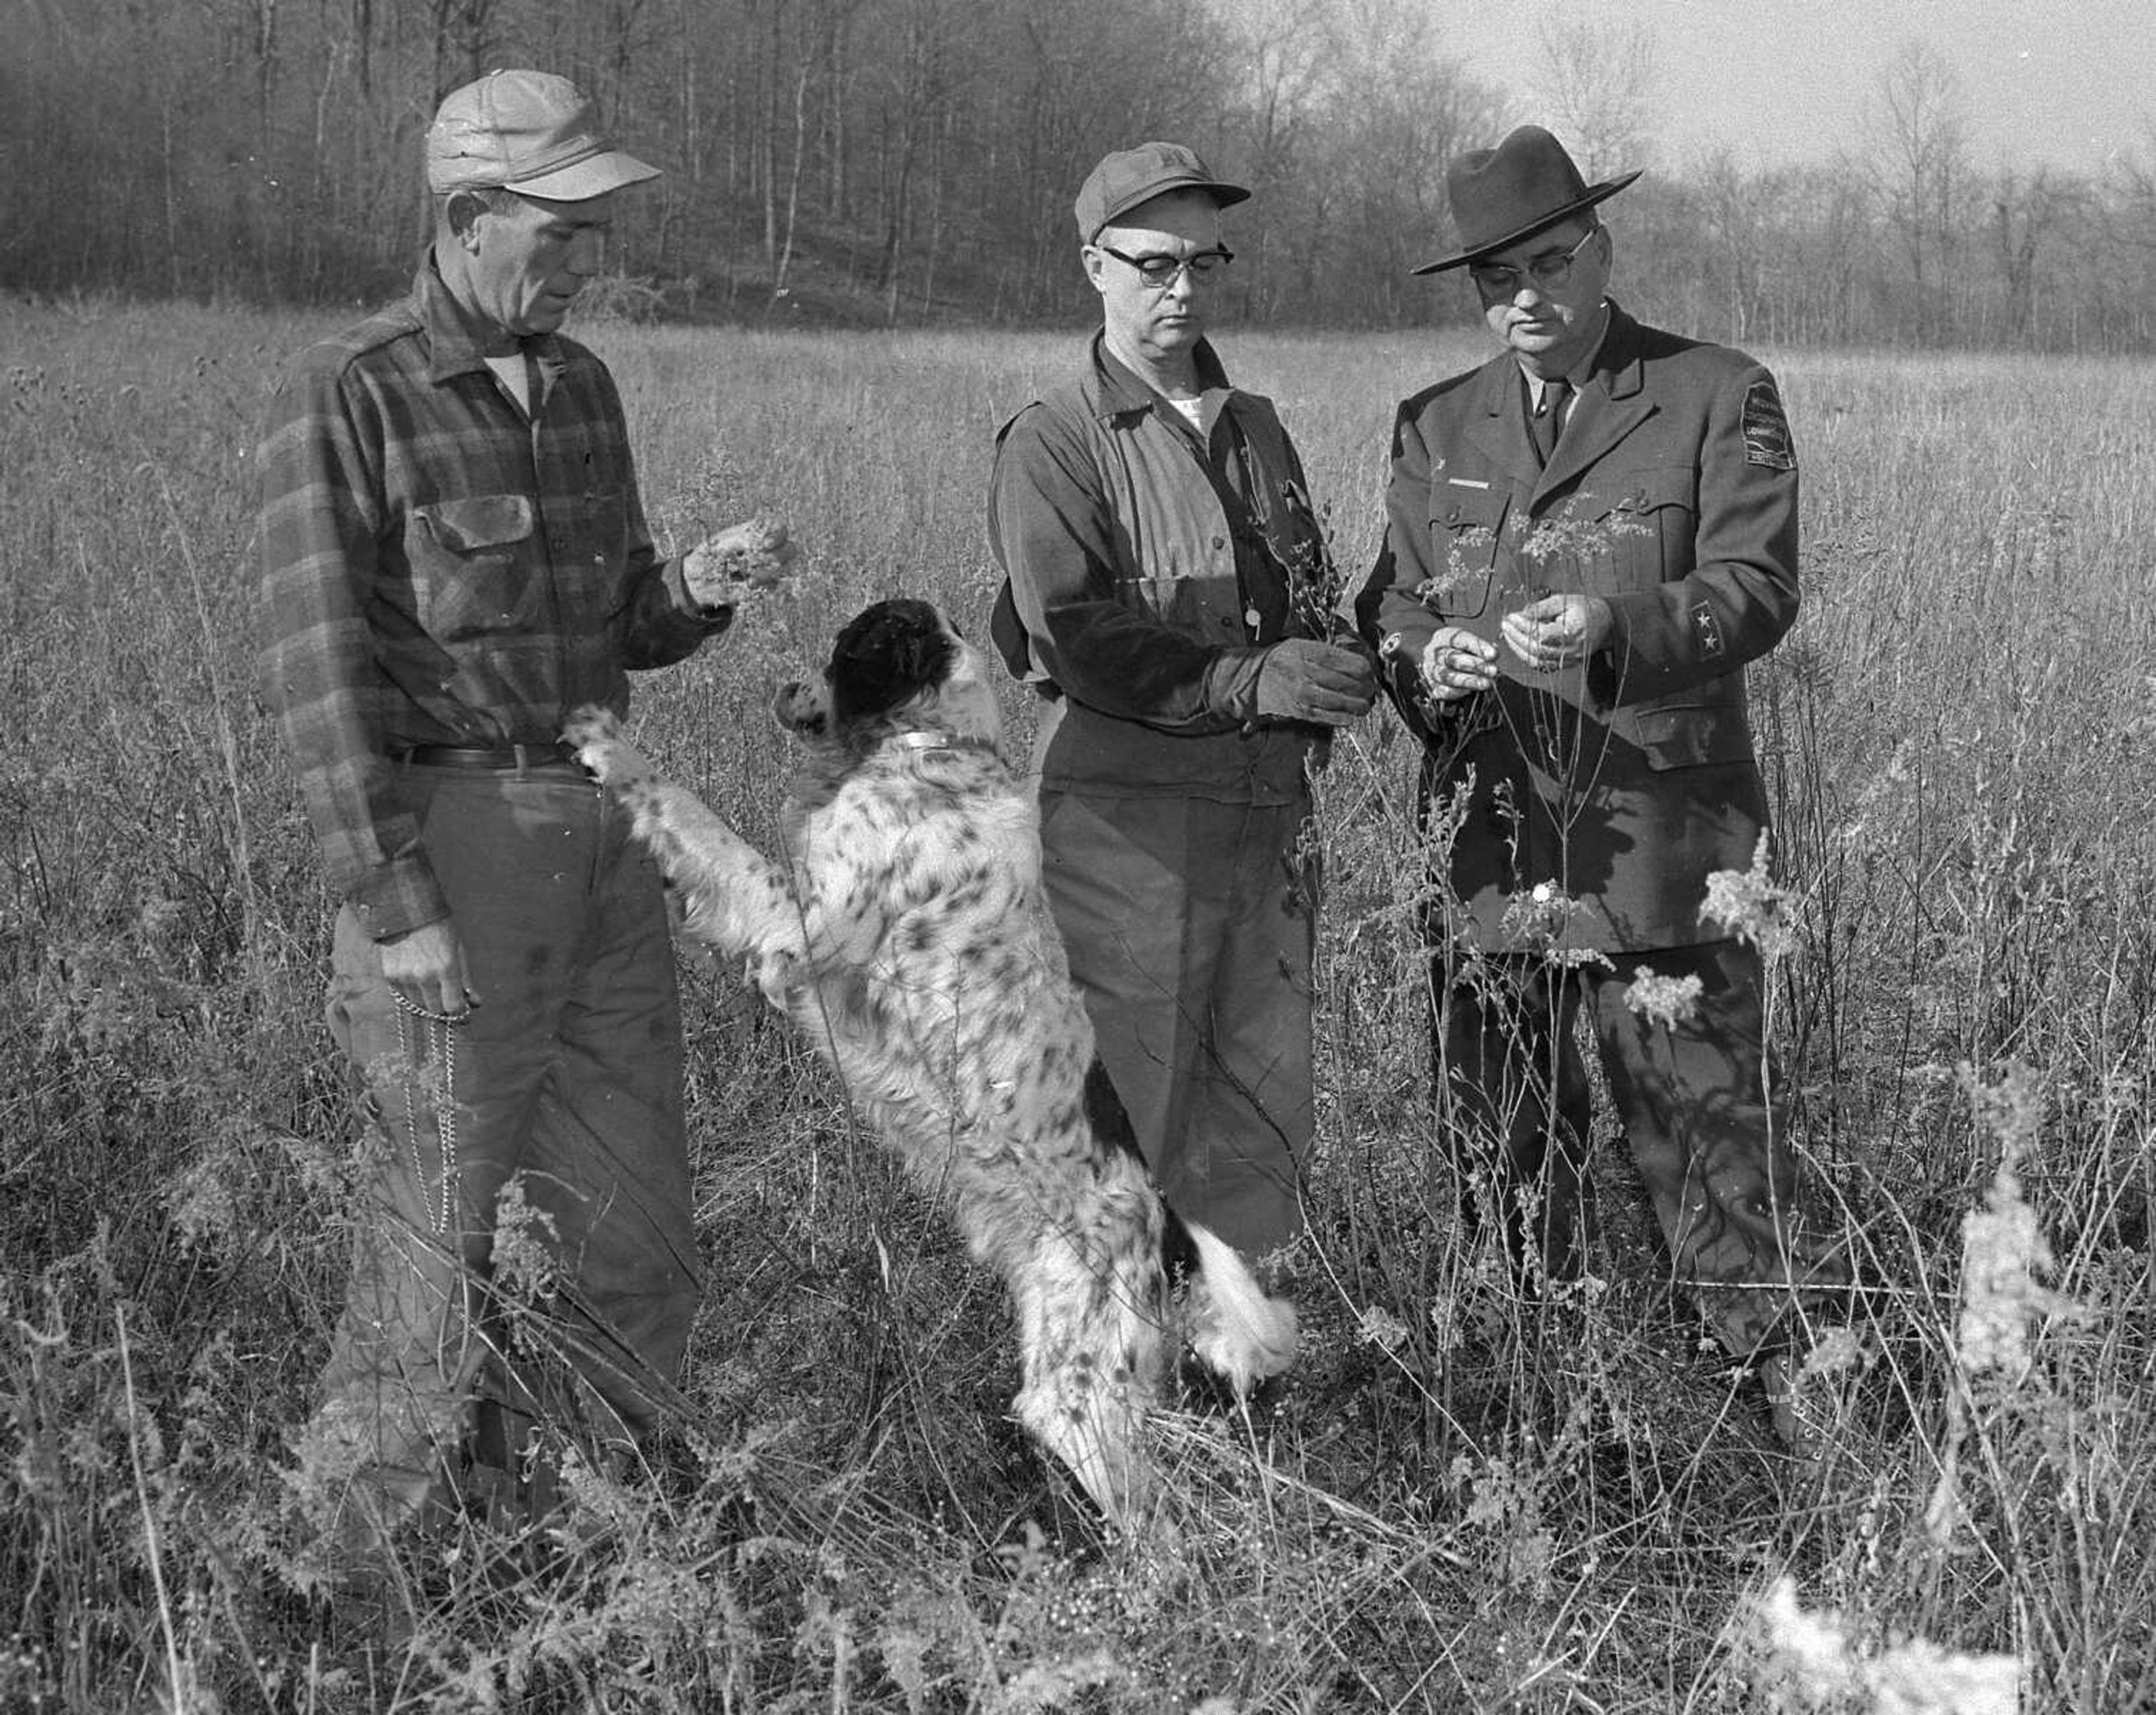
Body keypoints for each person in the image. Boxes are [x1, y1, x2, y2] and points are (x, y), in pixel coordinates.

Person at [257, 68, 797, 1553]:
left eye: (598, 231)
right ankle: (345, 1573)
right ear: (468, 216)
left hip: (603, 835)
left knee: (632, 1224)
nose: (590, 264)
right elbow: (319, 678)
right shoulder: (353, 391)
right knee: (429, 1240)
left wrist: (695, 585)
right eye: (560, 233)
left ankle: (588, 1530)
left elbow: (617, 618)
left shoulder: (580, 388)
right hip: (456, 853)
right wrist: (395, 898)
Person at [1347, 125, 1846, 1456]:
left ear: (1600, 252)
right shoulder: (1435, 424)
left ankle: (1787, 1436)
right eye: (1492, 277)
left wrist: (1617, 622)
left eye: (1548, 262)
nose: (1523, 295)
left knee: (1706, 1152)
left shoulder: (1713, 392)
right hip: (1494, 847)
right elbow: (1392, 599)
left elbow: (1757, 588)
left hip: (1665, 850)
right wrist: (1423, 660)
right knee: (1502, 1146)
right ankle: (1541, 1420)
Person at [986, 142, 1377, 1279]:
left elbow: (1306, 593)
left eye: (1205, 261)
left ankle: (1228, 1384)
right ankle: (1105, 1393)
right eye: (1153, 264)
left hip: (1266, 826)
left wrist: (1346, 659)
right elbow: (1080, 637)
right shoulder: (1054, 437)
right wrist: (1255, 681)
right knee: (1121, 1122)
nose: (1183, 289)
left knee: (1259, 1113)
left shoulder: (1255, 424)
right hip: (1126, 836)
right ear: (1092, 267)